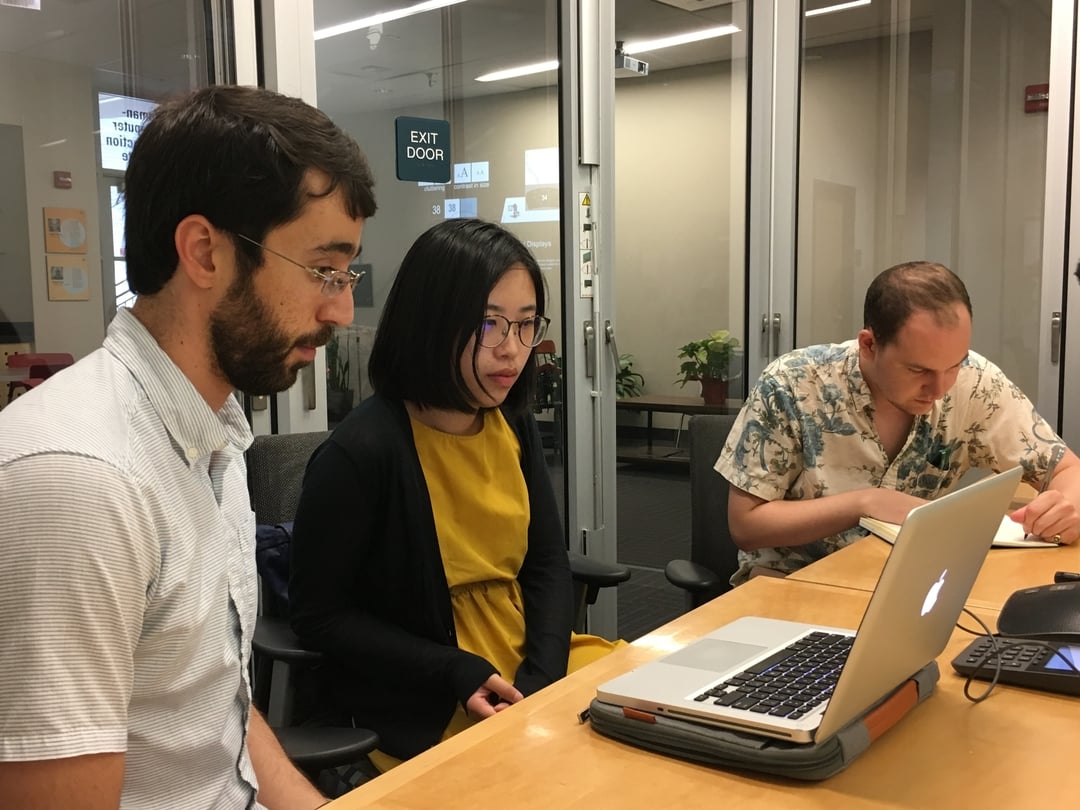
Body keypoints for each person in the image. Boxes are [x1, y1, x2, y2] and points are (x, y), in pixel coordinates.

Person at [0, 85, 376, 809]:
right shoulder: (78, 482)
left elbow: (216, 710)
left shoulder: (212, 436)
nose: (341, 308)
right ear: (205, 251)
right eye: (323, 270)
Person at [289, 218, 618, 768]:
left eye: (526, 325)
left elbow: (545, 563)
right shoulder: (362, 451)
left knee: (655, 710)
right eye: (489, 324)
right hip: (434, 693)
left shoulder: (512, 423)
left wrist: (540, 680)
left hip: (529, 663)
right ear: (431, 322)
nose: (512, 350)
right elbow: (320, 616)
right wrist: (452, 669)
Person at [717, 261, 1080, 586]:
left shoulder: (976, 383)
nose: (939, 388)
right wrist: (865, 503)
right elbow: (747, 525)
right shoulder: (792, 384)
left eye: (954, 365)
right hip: (791, 583)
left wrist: (1066, 508)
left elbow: (1067, 470)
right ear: (869, 345)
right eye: (918, 370)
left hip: (910, 585)